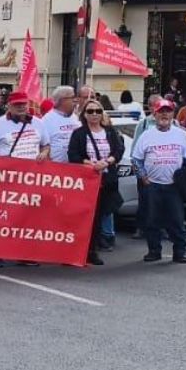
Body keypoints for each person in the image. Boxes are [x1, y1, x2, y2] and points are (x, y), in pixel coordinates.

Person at [133, 101, 186, 264]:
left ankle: (180, 251)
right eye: (161, 112)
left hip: (174, 186)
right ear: (155, 114)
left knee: (177, 220)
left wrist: (185, 177)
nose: (164, 115)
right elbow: (137, 159)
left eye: (168, 112)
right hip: (152, 184)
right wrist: (143, 177)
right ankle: (154, 250)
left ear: (173, 114)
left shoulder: (181, 135)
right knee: (152, 219)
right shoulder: (146, 135)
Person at [69, 101, 125, 265]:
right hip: (87, 182)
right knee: (86, 218)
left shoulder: (110, 132)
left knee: (100, 216)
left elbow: (119, 150)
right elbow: (73, 155)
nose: (94, 114)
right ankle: (82, 250)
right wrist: (91, 164)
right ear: (84, 114)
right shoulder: (79, 134)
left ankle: (93, 250)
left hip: (107, 180)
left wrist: (107, 162)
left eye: (97, 111)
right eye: (90, 111)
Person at [0, 90, 44, 159]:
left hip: (33, 168)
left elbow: (45, 145)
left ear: (28, 104)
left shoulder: (38, 122)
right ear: (9, 106)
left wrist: (44, 153)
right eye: (17, 104)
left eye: (24, 104)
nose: (21, 107)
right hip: (9, 168)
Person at [36, 85, 80, 165]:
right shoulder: (46, 120)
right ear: (62, 100)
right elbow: (42, 145)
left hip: (75, 168)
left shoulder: (75, 117)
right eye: (72, 97)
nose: (75, 100)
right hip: (56, 170)